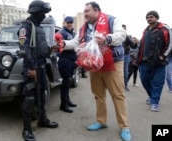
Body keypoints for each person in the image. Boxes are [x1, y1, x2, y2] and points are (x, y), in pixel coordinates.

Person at [56, 2, 131, 141]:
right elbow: (75, 42)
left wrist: (107, 38)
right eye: (84, 11)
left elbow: (121, 35)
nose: (85, 14)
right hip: (94, 64)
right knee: (98, 94)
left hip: (112, 62)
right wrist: (63, 44)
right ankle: (101, 121)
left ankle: (124, 127)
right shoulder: (84, 27)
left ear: (96, 10)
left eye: (87, 11)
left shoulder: (111, 20)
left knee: (117, 95)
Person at [17, 1, 58, 141]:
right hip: (31, 68)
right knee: (30, 98)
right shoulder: (25, 27)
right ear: (36, 12)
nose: (44, 16)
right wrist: (32, 68)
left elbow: (40, 49)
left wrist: (50, 49)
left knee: (42, 95)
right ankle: (27, 130)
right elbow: (24, 48)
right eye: (43, 13)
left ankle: (43, 119)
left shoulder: (39, 27)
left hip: (41, 67)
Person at [137, 11, 172, 112]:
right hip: (144, 61)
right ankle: (152, 96)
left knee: (157, 82)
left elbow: (170, 43)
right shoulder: (146, 30)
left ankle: (155, 102)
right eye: (147, 17)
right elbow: (142, 45)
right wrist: (138, 58)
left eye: (151, 17)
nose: (149, 19)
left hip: (159, 62)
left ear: (156, 17)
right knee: (144, 80)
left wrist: (163, 56)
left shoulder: (165, 28)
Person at [58, 16, 77, 113]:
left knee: (69, 81)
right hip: (65, 60)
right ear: (64, 22)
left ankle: (67, 100)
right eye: (68, 22)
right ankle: (63, 104)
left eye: (71, 22)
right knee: (65, 82)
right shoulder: (61, 33)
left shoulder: (73, 33)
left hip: (72, 60)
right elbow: (60, 46)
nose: (70, 24)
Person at [122, 24, 138, 91]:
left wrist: (135, 43)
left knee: (126, 71)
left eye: (123, 29)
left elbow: (133, 46)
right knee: (116, 71)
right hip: (117, 56)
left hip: (126, 55)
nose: (122, 30)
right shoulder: (115, 36)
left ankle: (125, 85)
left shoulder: (127, 37)